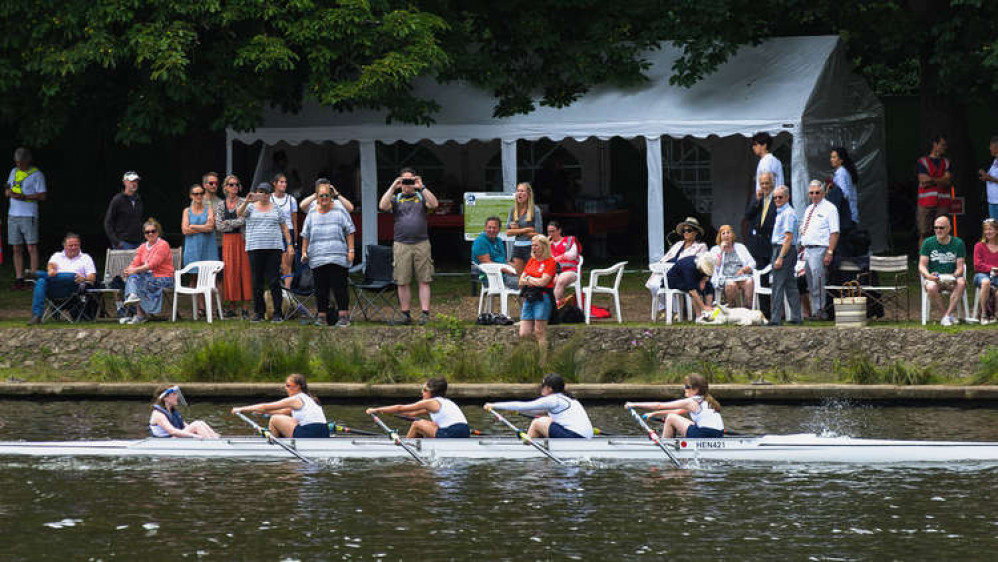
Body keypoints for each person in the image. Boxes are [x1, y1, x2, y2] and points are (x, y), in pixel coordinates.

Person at [378, 167, 438, 325]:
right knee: (402, 281)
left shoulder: (421, 196)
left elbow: (434, 204)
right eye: (404, 181)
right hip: (401, 244)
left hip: (422, 243)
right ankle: (405, 314)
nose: (407, 185)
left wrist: (422, 186)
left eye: (410, 181)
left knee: (424, 279)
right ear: (400, 182)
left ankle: (425, 313)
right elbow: (382, 206)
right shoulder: (396, 199)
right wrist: (393, 187)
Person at [301, 181, 356, 327]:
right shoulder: (312, 210)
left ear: (331, 196)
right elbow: (305, 233)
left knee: (340, 287)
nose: (324, 198)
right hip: (318, 256)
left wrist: (351, 250)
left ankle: (343, 317)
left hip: (338, 255)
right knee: (320, 289)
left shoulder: (339, 208)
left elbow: (350, 229)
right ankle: (322, 317)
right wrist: (303, 251)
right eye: (321, 196)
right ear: (317, 197)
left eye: (326, 195)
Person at [239, 182, 294, 323]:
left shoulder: (276, 208)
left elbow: (285, 227)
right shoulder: (250, 207)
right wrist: (246, 200)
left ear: (269, 194)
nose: (262, 194)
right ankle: (259, 312)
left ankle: (277, 313)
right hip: (254, 247)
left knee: (274, 280)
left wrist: (289, 244)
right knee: (256, 281)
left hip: (273, 248)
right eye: (259, 191)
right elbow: (238, 213)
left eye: (264, 192)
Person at [484, 373, 593, 439]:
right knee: (546, 419)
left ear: (550, 388)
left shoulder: (553, 400)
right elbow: (536, 411)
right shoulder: (567, 398)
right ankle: (535, 443)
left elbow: (523, 405)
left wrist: (493, 405)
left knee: (537, 423)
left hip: (575, 437)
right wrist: (515, 412)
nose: (541, 388)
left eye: (543, 386)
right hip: (585, 437)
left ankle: (525, 449)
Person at [625, 374, 724, 439]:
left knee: (671, 418)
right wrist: (655, 414)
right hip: (718, 434)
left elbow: (659, 405)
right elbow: (677, 412)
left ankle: (665, 444)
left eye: (687, 387)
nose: (684, 389)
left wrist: (634, 404)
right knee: (675, 417)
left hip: (703, 435)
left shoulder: (690, 402)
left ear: (696, 389)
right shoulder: (707, 400)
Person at [365, 377, 470, 438]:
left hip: (453, 432)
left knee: (416, 424)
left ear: (432, 392)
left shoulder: (430, 402)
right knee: (428, 423)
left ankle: (406, 449)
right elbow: (410, 414)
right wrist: (387, 413)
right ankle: (423, 446)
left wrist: (376, 410)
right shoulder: (446, 402)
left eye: (425, 390)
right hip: (465, 431)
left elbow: (400, 408)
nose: (422, 393)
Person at [231, 373, 330, 438]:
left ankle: (274, 446)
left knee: (274, 419)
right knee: (285, 418)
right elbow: (283, 412)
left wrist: (241, 409)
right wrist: (263, 412)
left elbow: (265, 406)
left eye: (288, 385)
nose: (285, 388)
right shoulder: (310, 399)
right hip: (324, 432)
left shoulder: (295, 399)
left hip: (309, 433)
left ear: (297, 387)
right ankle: (281, 441)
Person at [27, 233, 97, 325]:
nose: (73, 247)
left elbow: (92, 277)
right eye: (70, 245)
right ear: (64, 246)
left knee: (72, 276)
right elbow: (51, 266)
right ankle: (36, 316)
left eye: (76, 245)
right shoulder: (57, 256)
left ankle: (38, 274)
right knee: (41, 282)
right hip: (54, 289)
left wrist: (83, 278)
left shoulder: (86, 258)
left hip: (73, 288)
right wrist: (51, 270)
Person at [646, 217, 708, 316]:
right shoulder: (678, 244)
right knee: (653, 285)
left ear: (696, 233)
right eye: (684, 230)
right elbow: (665, 258)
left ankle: (675, 311)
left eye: (689, 230)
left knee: (667, 284)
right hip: (667, 270)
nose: (686, 233)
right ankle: (666, 309)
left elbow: (701, 264)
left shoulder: (701, 246)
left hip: (683, 274)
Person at [6, 147, 47, 289]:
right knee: (16, 248)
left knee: (31, 247)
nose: (19, 165)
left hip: (28, 214)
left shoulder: (37, 174)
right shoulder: (14, 172)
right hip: (13, 214)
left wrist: (24, 197)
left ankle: (33, 278)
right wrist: (8, 191)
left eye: (21, 162)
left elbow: (42, 195)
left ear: (28, 161)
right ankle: (19, 278)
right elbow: (8, 186)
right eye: (17, 162)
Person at [798, 179, 840, 319]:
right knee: (810, 282)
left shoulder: (830, 208)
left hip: (820, 248)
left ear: (822, 193)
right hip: (808, 250)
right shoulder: (809, 209)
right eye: (811, 193)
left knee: (818, 281)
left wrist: (829, 251)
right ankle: (816, 310)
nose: (814, 195)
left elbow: (834, 232)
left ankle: (821, 311)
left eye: (817, 192)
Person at [120, 218, 175, 325]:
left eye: (153, 231)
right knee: (134, 278)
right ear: (144, 234)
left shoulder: (163, 245)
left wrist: (134, 270)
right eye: (147, 232)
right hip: (148, 277)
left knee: (138, 280)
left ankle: (139, 313)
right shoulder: (142, 247)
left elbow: (153, 264)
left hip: (164, 278)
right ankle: (133, 296)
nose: (150, 234)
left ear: (158, 232)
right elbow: (135, 262)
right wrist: (129, 270)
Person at [215, 175, 252, 318]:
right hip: (228, 241)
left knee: (244, 271)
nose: (234, 187)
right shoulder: (220, 204)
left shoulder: (244, 202)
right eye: (231, 185)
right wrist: (233, 222)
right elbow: (218, 225)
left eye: (236, 184)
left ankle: (245, 307)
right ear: (225, 187)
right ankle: (231, 306)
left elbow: (243, 220)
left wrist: (228, 222)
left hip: (242, 240)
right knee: (230, 272)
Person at [918, 216, 966, 326]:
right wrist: (928, 276)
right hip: (934, 278)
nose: (938, 230)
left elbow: (960, 267)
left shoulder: (958, 243)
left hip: (951, 277)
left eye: (942, 227)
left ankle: (947, 315)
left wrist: (955, 275)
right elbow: (922, 265)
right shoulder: (928, 243)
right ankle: (945, 316)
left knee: (961, 282)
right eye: (936, 227)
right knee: (931, 287)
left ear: (949, 228)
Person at [180, 183, 218, 314]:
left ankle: (212, 308)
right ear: (191, 195)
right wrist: (202, 227)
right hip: (193, 248)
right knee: (194, 278)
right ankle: (200, 308)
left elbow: (210, 227)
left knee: (210, 277)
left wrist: (193, 226)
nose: (199, 196)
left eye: (201, 193)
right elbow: (185, 230)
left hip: (208, 248)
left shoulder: (209, 208)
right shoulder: (186, 211)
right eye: (196, 194)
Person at [768, 186, 803, 326]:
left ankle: (775, 318)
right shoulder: (781, 212)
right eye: (775, 197)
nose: (777, 199)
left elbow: (788, 237)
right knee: (790, 284)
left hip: (784, 249)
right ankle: (796, 316)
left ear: (787, 197)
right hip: (785, 249)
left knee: (777, 284)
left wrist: (780, 257)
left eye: (780, 197)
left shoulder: (788, 213)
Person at [519, 234, 557, 351]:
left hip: (542, 298)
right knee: (524, 333)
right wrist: (532, 280)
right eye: (532, 246)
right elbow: (520, 281)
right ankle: (530, 358)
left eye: (536, 246)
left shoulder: (550, 262)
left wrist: (529, 279)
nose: (533, 248)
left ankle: (542, 362)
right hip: (529, 297)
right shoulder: (532, 260)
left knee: (539, 331)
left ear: (544, 247)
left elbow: (543, 282)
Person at [916, 135, 952, 248]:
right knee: (924, 232)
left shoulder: (946, 162)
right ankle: (923, 259)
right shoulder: (923, 161)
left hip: (942, 203)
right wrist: (941, 180)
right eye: (942, 145)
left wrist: (931, 180)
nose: (944, 148)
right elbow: (922, 179)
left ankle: (939, 258)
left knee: (941, 232)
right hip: (925, 202)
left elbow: (948, 180)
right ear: (935, 145)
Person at [708, 225, 755, 307]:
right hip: (725, 278)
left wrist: (744, 270)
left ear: (732, 235)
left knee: (749, 282)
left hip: (741, 276)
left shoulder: (740, 247)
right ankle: (731, 308)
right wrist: (721, 250)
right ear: (720, 236)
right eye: (723, 233)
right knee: (731, 284)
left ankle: (747, 309)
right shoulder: (715, 249)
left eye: (728, 232)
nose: (726, 235)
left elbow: (752, 262)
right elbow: (716, 267)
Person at [149, 385, 219, 439]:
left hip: (173, 439)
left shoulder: (172, 412)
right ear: (165, 398)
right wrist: (194, 436)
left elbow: (187, 427)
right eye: (174, 394)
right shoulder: (158, 414)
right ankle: (211, 443)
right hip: (165, 442)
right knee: (197, 424)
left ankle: (216, 440)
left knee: (200, 423)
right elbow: (172, 431)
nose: (177, 397)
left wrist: (198, 432)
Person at [506, 182, 543, 275]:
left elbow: (538, 233)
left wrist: (517, 231)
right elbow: (508, 232)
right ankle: (522, 290)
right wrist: (526, 230)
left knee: (532, 275)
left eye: (522, 191)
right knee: (520, 277)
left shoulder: (535, 210)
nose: (519, 193)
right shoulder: (513, 209)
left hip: (531, 247)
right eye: (518, 191)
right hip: (517, 247)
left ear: (528, 194)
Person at [471, 215, 517, 289]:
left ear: (499, 229)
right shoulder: (480, 241)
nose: (492, 230)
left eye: (494, 227)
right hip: (490, 276)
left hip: (504, 273)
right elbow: (486, 263)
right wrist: (505, 269)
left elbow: (503, 260)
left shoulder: (499, 240)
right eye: (489, 227)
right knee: (525, 284)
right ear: (485, 228)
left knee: (530, 277)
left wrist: (518, 267)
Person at [743, 171, 777, 268]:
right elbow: (747, 216)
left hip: (770, 243)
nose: (764, 186)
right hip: (755, 244)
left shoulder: (777, 198)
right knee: (758, 276)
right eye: (762, 183)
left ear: (772, 184)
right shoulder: (757, 198)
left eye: (767, 183)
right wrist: (756, 201)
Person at [271, 173, 299, 290]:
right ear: (274, 184)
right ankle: (282, 290)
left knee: (288, 264)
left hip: (289, 232)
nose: (284, 184)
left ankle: (287, 291)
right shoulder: (270, 198)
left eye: (285, 182)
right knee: (281, 264)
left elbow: (294, 221)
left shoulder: (291, 199)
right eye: (281, 182)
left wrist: (295, 240)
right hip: (275, 232)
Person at [104, 171, 144, 251]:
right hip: (124, 243)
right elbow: (108, 222)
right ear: (125, 182)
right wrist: (117, 242)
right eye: (131, 181)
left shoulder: (139, 200)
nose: (134, 183)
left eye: (136, 181)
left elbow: (141, 220)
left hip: (139, 243)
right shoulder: (117, 200)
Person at [668, 253, 716, 319]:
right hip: (676, 280)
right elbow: (692, 290)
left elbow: (706, 276)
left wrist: (704, 280)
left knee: (709, 286)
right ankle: (699, 316)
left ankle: (709, 313)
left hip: (693, 277)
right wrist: (703, 306)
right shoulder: (689, 268)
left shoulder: (702, 264)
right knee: (696, 289)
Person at [547, 220, 582, 302]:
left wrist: (559, 257)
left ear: (559, 230)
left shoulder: (570, 240)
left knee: (561, 280)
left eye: (553, 231)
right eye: (549, 232)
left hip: (570, 270)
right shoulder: (548, 244)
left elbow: (572, 255)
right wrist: (545, 246)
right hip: (554, 271)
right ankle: (559, 305)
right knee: (547, 280)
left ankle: (553, 307)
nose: (551, 234)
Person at [972, 218, 998, 324]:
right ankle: (983, 314)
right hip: (981, 275)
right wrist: (992, 268)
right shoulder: (979, 246)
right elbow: (977, 265)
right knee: (985, 281)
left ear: (997, 231)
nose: (988, 232)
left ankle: (994, 314)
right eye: (986, 230)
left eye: (991, 229)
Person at [830, 147, 860, 225]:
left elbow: (844, 193)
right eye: (831, 157)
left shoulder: (841, 173)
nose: (831, 159)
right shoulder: (844, 171)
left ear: (841, 160)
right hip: (850, 214)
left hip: (846, 217)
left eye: (834, 157)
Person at [978, 136, 998, 221]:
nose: (989, 148)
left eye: (991, 146)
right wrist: (985, 175)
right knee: (995, 227)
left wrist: (989, 178)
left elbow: (992, 178)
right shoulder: (995, 161)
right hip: (992, 201)